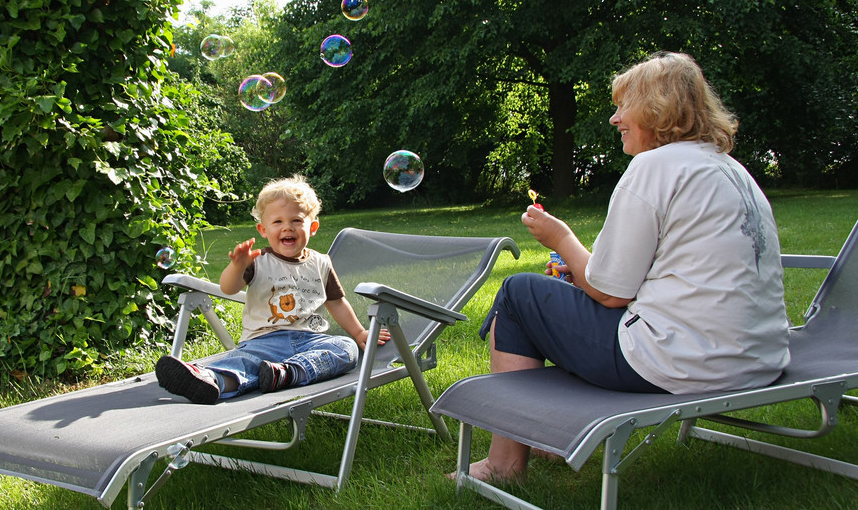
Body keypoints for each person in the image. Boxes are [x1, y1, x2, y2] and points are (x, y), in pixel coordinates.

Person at [462, 51, 791, 482]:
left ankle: (504, 464)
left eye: (622, 106)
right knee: (553, 298)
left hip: (684, 363)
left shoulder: (653, 166)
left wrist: (561, 240)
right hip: (759, 358)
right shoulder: (730, 169)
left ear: (658, 107)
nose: (615, 119)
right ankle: (547, 439)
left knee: (520, 295)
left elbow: (610, 292)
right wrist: (580, 275)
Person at [156, 174, 390, 404]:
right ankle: (209, 380)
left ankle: (288, 373)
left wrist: (359, 334)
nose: (287, 228)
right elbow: (228, 288)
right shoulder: (257, 261)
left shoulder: (321, 262)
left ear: (313, 226)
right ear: (263, 230)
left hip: (310, 340)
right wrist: (237, 266)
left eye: (296, 220)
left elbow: (336, 302)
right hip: (263, 340)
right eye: (277, 222)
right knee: (244, 361)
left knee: (345, 349)